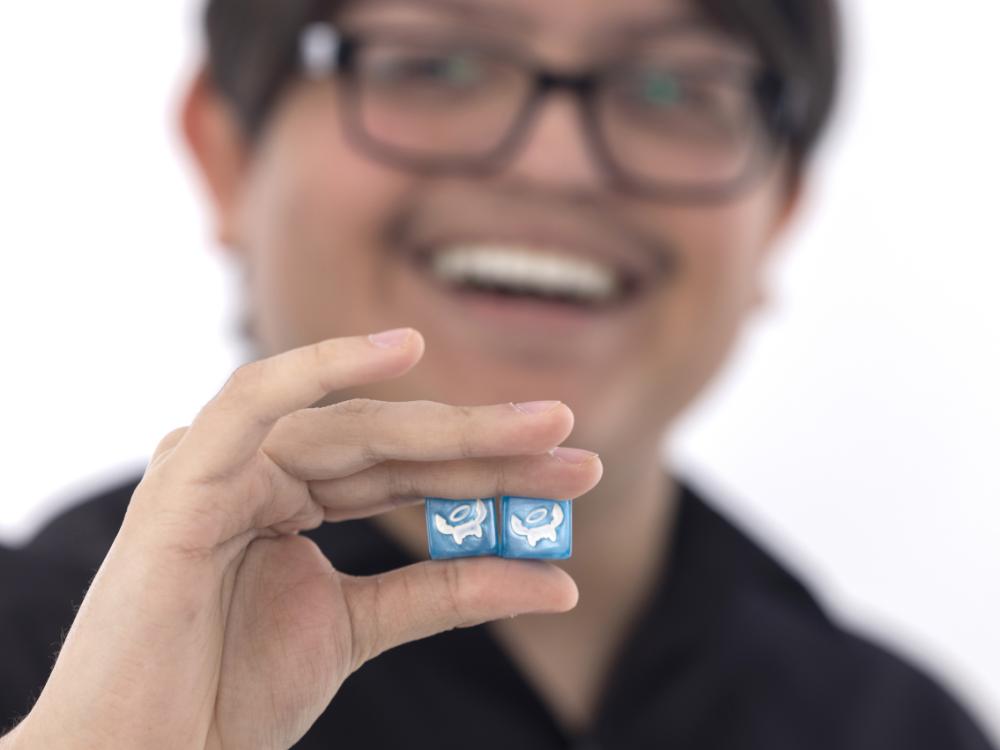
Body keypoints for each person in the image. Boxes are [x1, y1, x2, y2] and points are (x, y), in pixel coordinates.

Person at [0, 0, 995, 747]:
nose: (556, 166)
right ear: (223, 153)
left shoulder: (901, 727)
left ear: (778, 216)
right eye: (433, 64)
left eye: (672, 90)